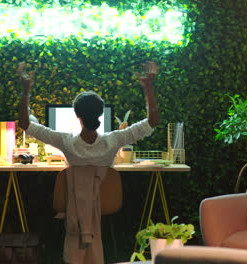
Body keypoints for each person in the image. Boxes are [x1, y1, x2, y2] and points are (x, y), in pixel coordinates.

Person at [17, 61, 160, 263]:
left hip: (73, 206)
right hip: (106, 204)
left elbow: (25, 124)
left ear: (77, 115)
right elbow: (152, 121)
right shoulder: (114, 140)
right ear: (101, 114)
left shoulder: (65, 141)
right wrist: (148, 87)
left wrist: (26, 90)